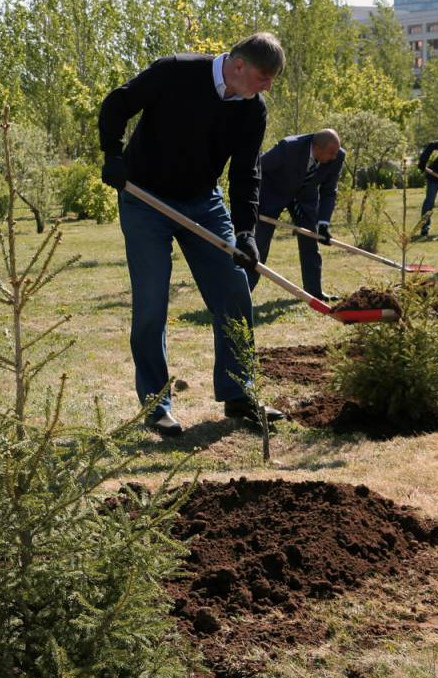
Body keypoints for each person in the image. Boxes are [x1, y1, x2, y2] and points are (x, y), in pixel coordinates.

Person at [97, 32, 286, 436]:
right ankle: (156, 406)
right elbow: (117, 103)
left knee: (233, 290)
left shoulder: (253, 109)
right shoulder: (176, 72)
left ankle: (239, 394)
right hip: (144, 198)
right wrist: (112, 153)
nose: (268, 85)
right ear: (238, 66)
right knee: (151, 303)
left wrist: (246, 230)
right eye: (264, 76)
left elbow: (246, 171)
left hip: (203, 201)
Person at [250, 129, 344, 302]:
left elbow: (329, 191)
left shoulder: (337, 156)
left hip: (304, 197)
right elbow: (258, 168)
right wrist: (250, 201)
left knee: (310, 240)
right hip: (273, 193)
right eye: (331, 153)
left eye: (336, 152)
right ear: (316, 148)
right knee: (260, 243)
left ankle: (314, 292)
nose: (334, 157)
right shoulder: (288, 147)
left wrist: (323, 224)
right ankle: (244, 292)